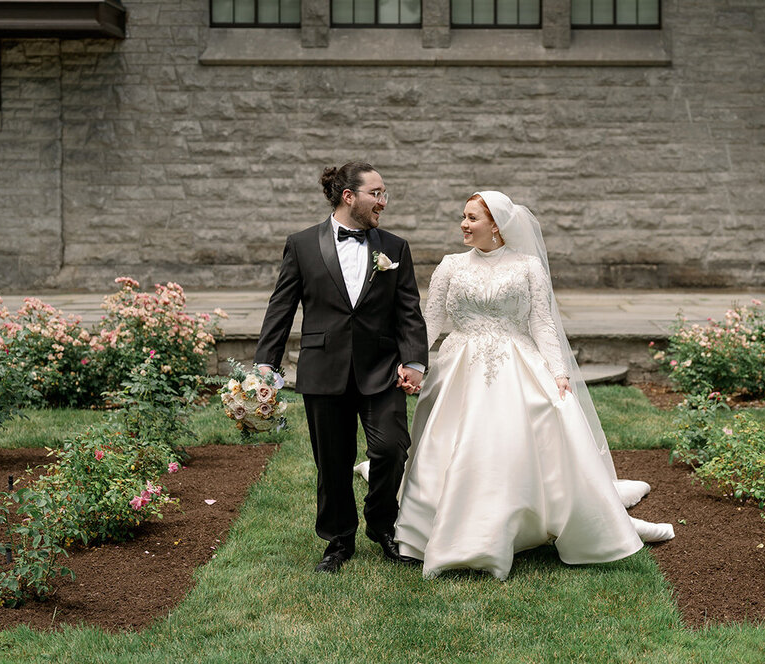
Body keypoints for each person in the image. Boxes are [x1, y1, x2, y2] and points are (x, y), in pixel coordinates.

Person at [392, 190, 673, 580]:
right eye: (464, 216)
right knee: (452, 441)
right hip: (459, 366)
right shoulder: (451, 266)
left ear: (497, 226)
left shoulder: (527, 267)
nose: (464, 224)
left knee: (525, 432)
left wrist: (559, 373)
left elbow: (542, 324)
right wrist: (414, 363)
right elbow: (431, 321)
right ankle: (434, 526)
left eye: (472, 218)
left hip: (516, 364)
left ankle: (526, 518)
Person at [254, 162, 428, 574]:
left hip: (381, 367)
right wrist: (265, 364)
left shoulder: (395, 247)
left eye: (385, 194)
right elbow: (281, 307)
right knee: (331, 460)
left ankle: (382, 524)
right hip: (323, 367)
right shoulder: (301, 245)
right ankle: (338, 539)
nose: (383, 202)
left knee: (391, 448)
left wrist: (415, 360)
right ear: (349, 196)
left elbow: (409, 310)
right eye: (377, 193)